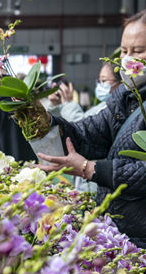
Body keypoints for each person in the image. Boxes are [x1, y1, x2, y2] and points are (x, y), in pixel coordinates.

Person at [34, 8, 146, 266]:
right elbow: (87, 134)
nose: (127, 59)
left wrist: (88, 169)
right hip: (132, 235)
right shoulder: (128, 96)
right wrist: (44, 119)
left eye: (138, 51)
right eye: (124, 50)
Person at [47, 64, 122, 194]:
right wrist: (56, 106)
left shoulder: (113, 109)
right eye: (99, 81)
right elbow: (68, 128)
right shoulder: (106, 105)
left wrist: (68, 104)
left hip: (97, 181)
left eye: (104, 81)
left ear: (121, 83)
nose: (99, 85)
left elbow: (81, 131)